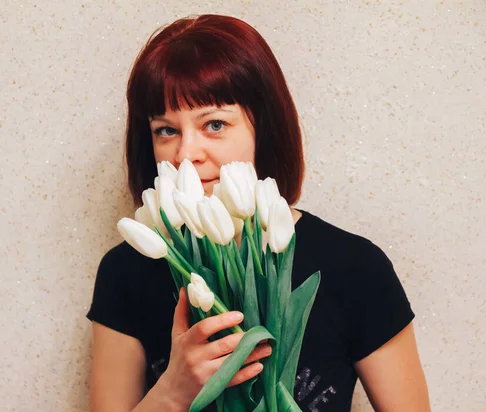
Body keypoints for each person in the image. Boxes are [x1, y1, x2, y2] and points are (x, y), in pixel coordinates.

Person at [87, 14, 430, 412]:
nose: (185, 155)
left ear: (264, 129)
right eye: (166, 130)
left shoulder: (355, 268)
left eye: (214, 124)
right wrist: (174, 390)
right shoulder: (125, 272)